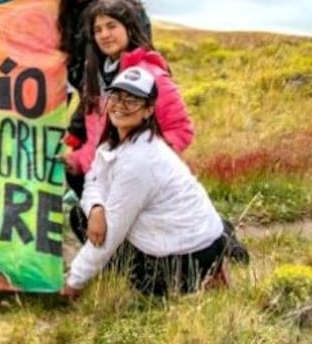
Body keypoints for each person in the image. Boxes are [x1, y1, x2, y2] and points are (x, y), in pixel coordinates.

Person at [63, 66, 228, 299]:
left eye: (131, 100)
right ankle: (209, 272)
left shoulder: (140, 160)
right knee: (82, 216)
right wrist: (96, 208)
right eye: (116, 96)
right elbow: (93, 180)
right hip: (197, 242)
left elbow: (111, 237)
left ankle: (200, 280)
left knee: (142, 281)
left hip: (190, 258)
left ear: (149, 110)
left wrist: (73, 282)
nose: (120, 105)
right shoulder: (112, 144)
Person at [57, 0, 149, 197]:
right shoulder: (69, 1)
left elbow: (137, 58)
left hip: (123, 101)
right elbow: (89, 79)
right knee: (79, 171)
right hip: (94, 103)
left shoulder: (114, 4)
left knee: (111, 174)